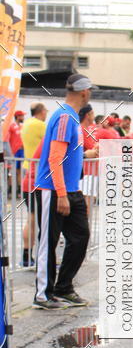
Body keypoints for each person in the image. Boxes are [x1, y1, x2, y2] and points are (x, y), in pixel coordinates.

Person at [33, 77, 93, 309]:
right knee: (48, 242)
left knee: (80, 237)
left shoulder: (70, 117)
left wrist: (86, 156)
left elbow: (67, 154)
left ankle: (63, 287)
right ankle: (42, 295)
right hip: (54, 190)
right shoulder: (65, 116)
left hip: (69, 189)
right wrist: (61, 193)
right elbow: (55, 157)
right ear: (84, 92)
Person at [20, 103, 48, 266]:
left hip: (27, 169)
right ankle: (41, 258)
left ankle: (26, 255)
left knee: (30, 218)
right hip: (38, 174)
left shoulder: (27, 124)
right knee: (41, 220)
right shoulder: (40, 125)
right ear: (41, 112)